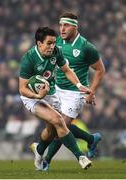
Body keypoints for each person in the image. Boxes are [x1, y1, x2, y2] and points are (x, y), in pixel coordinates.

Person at [19, 26, 92, 170]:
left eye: (53, 43)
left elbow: (66, 70)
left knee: (52, 131)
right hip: (32, 97)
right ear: (39, 43)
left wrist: (78, 85)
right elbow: (22, 88)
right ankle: (80, 156)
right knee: (59, 120)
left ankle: (39, 150)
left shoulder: (56, 51)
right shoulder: (28, 59)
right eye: (49, 43)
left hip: (51, 93)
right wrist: (37, 95)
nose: (52, 46)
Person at [42, 12, 105, 171]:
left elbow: (100, 70)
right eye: (61, 25)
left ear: (75, 27)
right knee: (57, 125)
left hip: (75, 93)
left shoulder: (86, 47)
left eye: (66, 25)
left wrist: (91, 91)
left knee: (59, 126)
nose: (62, 29)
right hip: (57, 89)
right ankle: (91, 139)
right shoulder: (56, 43)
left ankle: (46, 161)